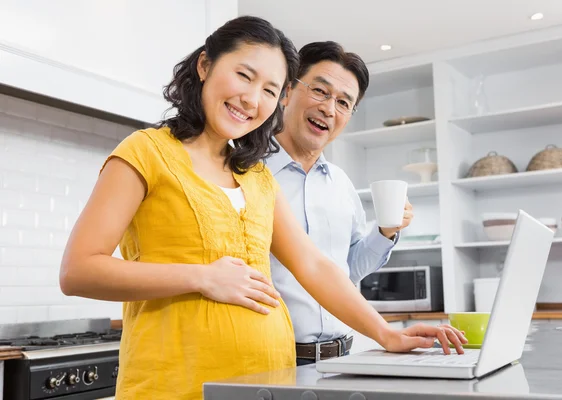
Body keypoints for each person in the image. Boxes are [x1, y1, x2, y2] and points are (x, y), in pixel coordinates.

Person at [59, 16, 467, 400]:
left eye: (270, 90)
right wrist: (202, 277)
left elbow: (315, 266)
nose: (252, 99)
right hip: (177, 382)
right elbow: (78, 271)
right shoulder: (145, 152)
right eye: (244, 75)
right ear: (205, 65)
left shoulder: (256, 176)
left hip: (268, 380)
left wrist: (386, 333)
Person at [266, 41, 414, 366]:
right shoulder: (247, 173)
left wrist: (386, 232)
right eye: (320, 91)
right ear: (287, 90)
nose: (330, 109)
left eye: (344, 102)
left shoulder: (341, 184)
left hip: (341, 359)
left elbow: (347, 271)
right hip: (272, 360)